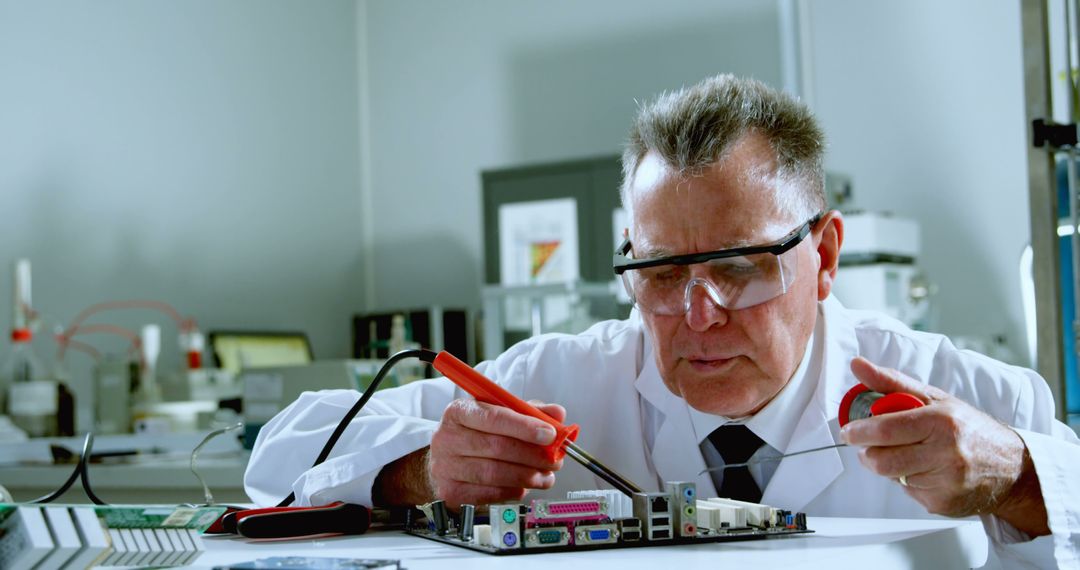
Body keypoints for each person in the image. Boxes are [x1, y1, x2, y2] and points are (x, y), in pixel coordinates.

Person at [245, 75, 1079, 567]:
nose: (695, 314)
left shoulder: (958, 394)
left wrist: (1019, 480)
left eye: (738, 266)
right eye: (659, 271)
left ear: (824, 257)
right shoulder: (558, 384)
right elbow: (279, 453)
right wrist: (422, 472)